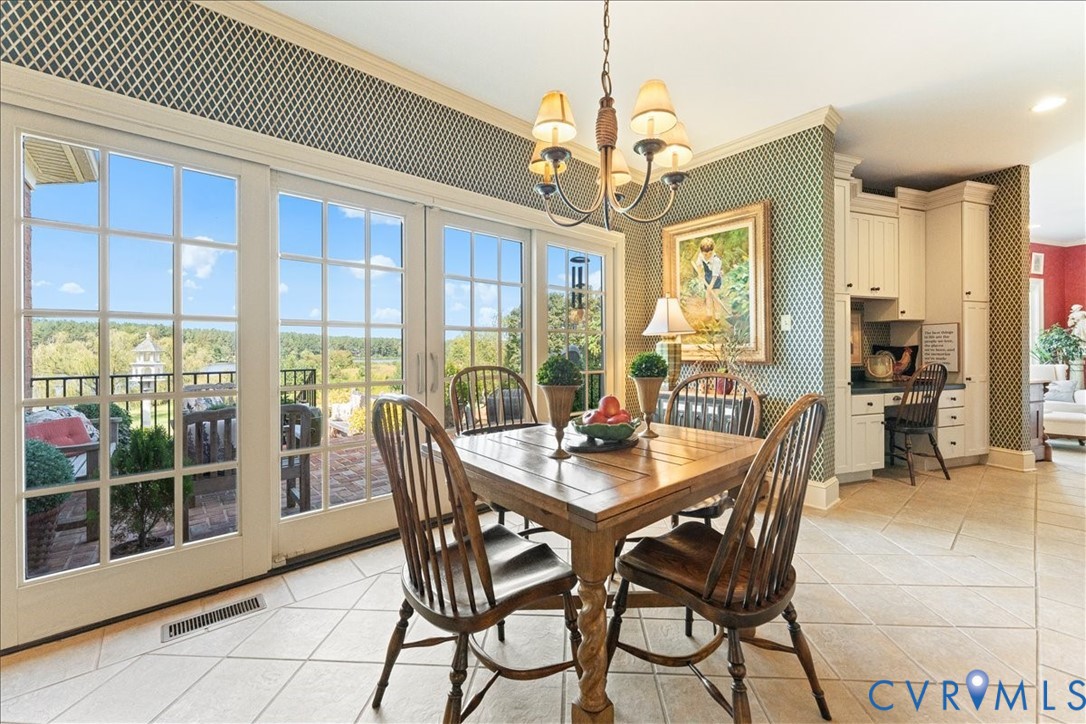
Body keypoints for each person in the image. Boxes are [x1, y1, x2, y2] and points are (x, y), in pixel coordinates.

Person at [691, 238, 726, 315]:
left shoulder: (716, 260)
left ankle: (717, 316)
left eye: (710, 253)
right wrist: (700, 273)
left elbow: (715, 275)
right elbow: (698, 264)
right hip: (707, 277)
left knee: (715, 298)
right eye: (705, 254)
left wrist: (711, 285)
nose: (708, 256)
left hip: (715, 279)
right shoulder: (701, 255)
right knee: (708, 298)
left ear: (713, 251)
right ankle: (709, 314)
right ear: (702, 252)